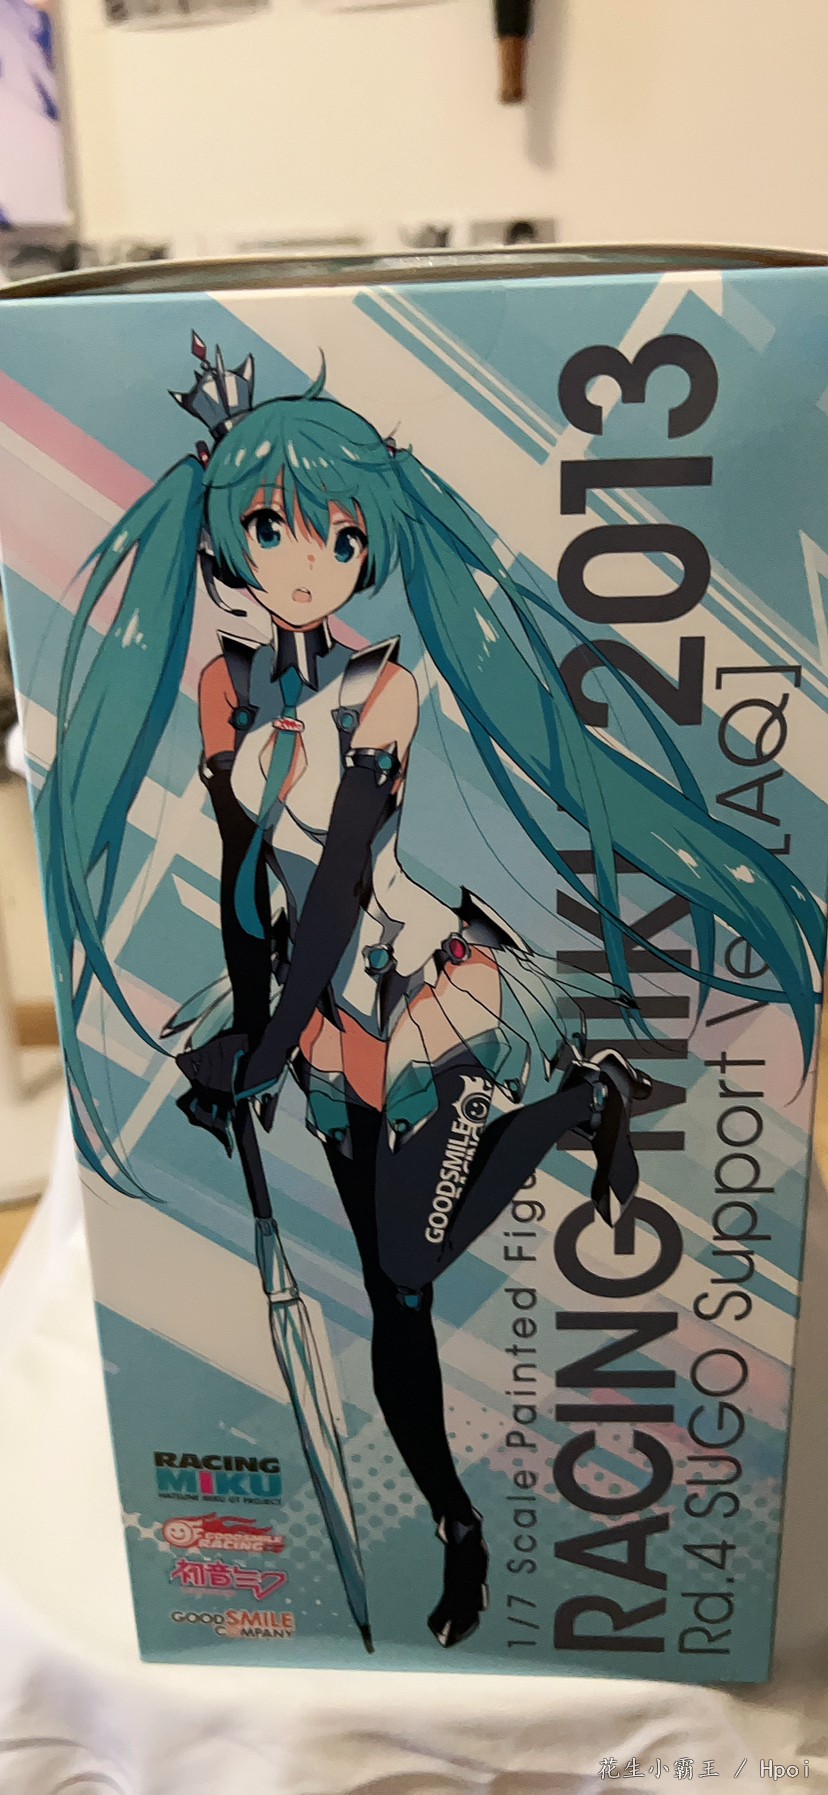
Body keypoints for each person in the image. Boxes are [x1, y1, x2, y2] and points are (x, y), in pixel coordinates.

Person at [40, 337, 824, 1649]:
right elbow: (249, 885)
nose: (307, 562)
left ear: (369, 552)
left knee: (406, 1259)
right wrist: (252, 1033)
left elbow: (344, 882)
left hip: (417, 989)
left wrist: (265, 1053)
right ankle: (460, 1528)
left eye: (340, 538)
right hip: (308, 1005)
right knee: (393, 1298)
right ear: (232, 536)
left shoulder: (387, 690)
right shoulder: (222, 689)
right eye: (277, 530)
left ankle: (574, 1102)